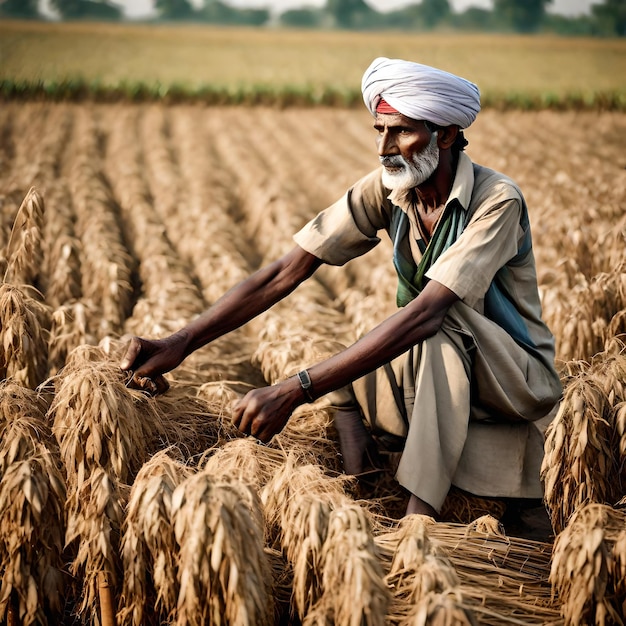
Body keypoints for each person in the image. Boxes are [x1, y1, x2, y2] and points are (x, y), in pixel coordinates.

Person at [120, 57, 562, 519]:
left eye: (402, 132)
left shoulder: (498, 201)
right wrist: (180, 341)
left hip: (512, 372)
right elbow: (286, 271)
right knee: (350, 346)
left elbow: (428, 313)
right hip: (441, 357)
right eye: (380, 130)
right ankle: (363, 473)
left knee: (437, 327)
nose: (384, 147)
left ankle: (419, 513)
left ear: (446, 135)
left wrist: (294, 390)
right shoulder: (392, 190)